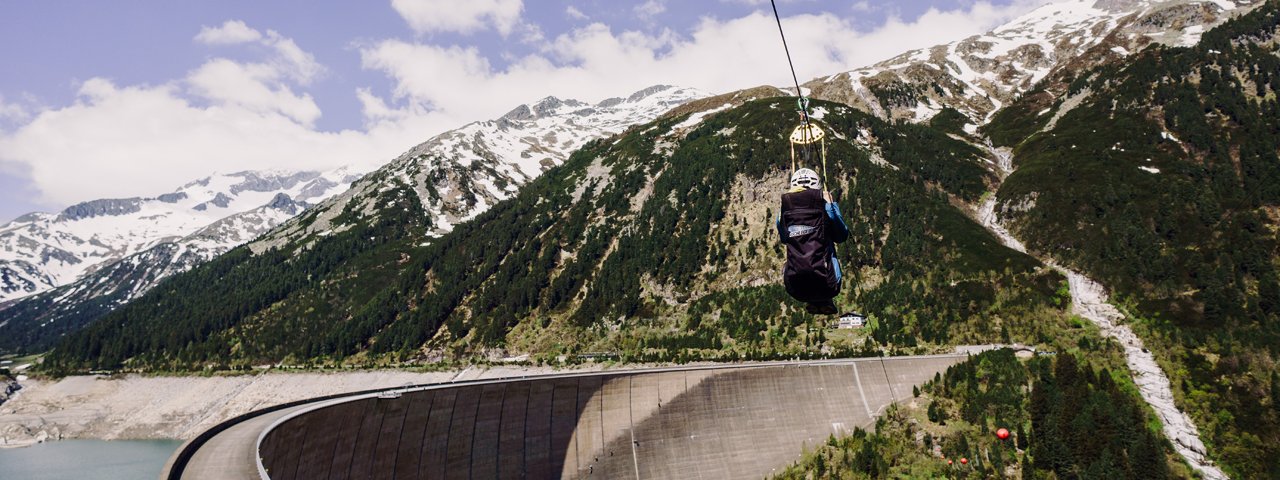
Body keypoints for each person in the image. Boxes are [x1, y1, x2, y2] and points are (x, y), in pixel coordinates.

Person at [777, 168, 849, 314]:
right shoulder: (825, 207)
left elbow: (784, 239)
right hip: (829, 283)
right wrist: (832, 204)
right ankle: (823, 300)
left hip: (795, 287)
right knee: (826, 251)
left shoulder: (784, 212)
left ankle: (813, 299)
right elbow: (841, 236)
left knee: (795, 259)